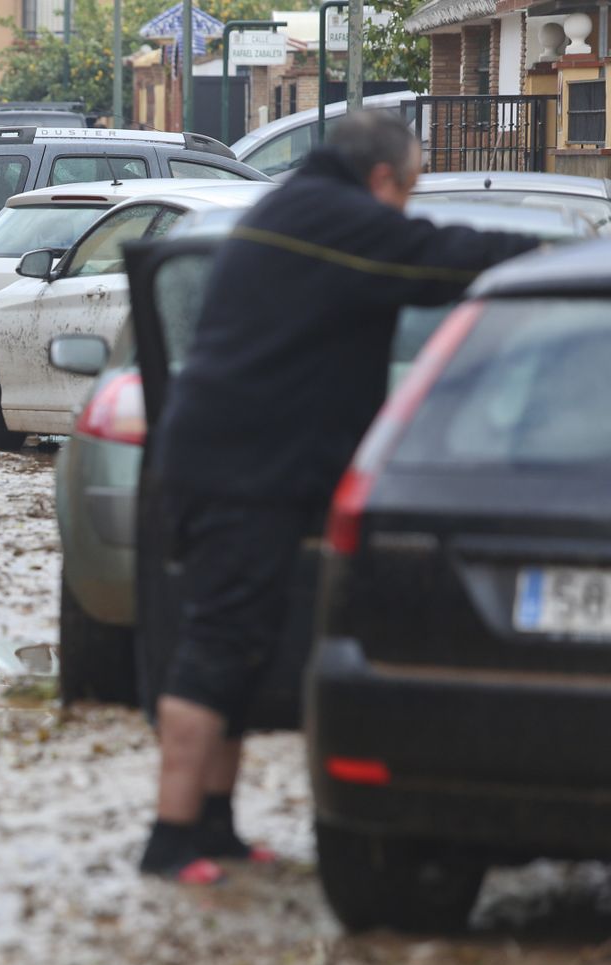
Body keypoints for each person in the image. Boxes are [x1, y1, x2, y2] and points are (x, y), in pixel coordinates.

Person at [139, 110, 541, 884]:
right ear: (384, 178)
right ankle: (170, 836)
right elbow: (442, 258)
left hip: (235, 461)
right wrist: (559, 253)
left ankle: (214, 827)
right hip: (241, 473)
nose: (407, 204)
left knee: (245, 644)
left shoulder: (295, 208)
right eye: (411, 187)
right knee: (219, 643)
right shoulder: (333, 219)